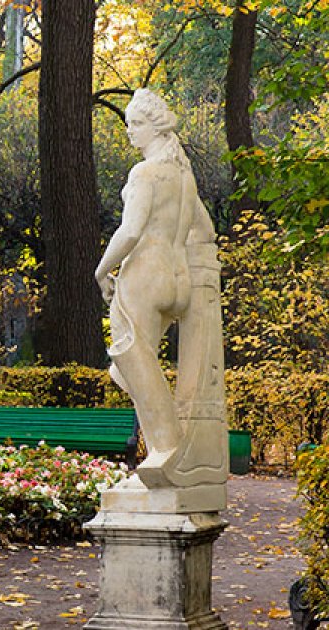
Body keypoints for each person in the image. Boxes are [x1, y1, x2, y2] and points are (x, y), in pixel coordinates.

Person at [94, 88, 224, 488]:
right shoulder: (184, 177)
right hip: (178, 280)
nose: (130, 132)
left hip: (144, 277)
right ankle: (166, 455)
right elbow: (204, 231)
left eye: (135, 124)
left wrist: (102, 270)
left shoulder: (145, 173)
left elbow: (130, 231)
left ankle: (165, 455)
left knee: (133, 362)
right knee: (130, 366)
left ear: (154, 127)